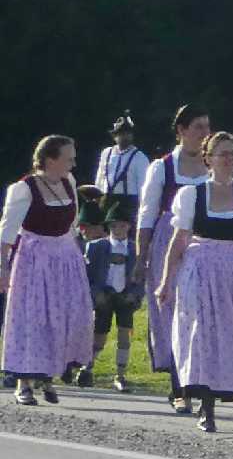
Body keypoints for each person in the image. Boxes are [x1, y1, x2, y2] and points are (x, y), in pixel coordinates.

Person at [158, 132, 233, 432]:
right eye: (223, 153)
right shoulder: (192, 195)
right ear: (208, 158)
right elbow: (179, 240)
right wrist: (166, 280)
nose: (229, 159)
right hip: (200, 268)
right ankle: (205, 403)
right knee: (201, 333)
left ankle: (217, 393)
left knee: (229, 333)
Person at [4, 136, 93, 404]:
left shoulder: (69, 182)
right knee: (34, 318)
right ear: (51, 159)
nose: (73, 163)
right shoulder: (24, 189)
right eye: (69, 158)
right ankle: (23, 383)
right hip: (34, 260)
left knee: (65, 317)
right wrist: (2, 268)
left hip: (65, 258)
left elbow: (72, 225)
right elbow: (6, 233)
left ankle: (48, 375)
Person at [136, 105, 216, 404]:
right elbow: (147, 214)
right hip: (168, 241)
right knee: (171, 309)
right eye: (198, 127)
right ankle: (178, 384)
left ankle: (199, 380)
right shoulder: (163, 167)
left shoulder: (214, 166)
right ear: (181, 130)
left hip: (205, 243)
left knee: (202, 311)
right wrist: (141, 257)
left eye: (207, 127)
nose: (205, 133)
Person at [81, 197, 143, 390]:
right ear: (108, 227)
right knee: (99, 334)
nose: (118, 230)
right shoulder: (96, 247)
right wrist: (95, 294)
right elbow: (88, 276)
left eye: (122, 226)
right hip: (105, 295)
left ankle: (120, 374)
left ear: (129, 227)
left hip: (125, 295)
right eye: (114, 226)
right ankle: (87, 367)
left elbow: (142, 276)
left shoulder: (136, 249)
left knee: (124, 335)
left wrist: (136, 294)